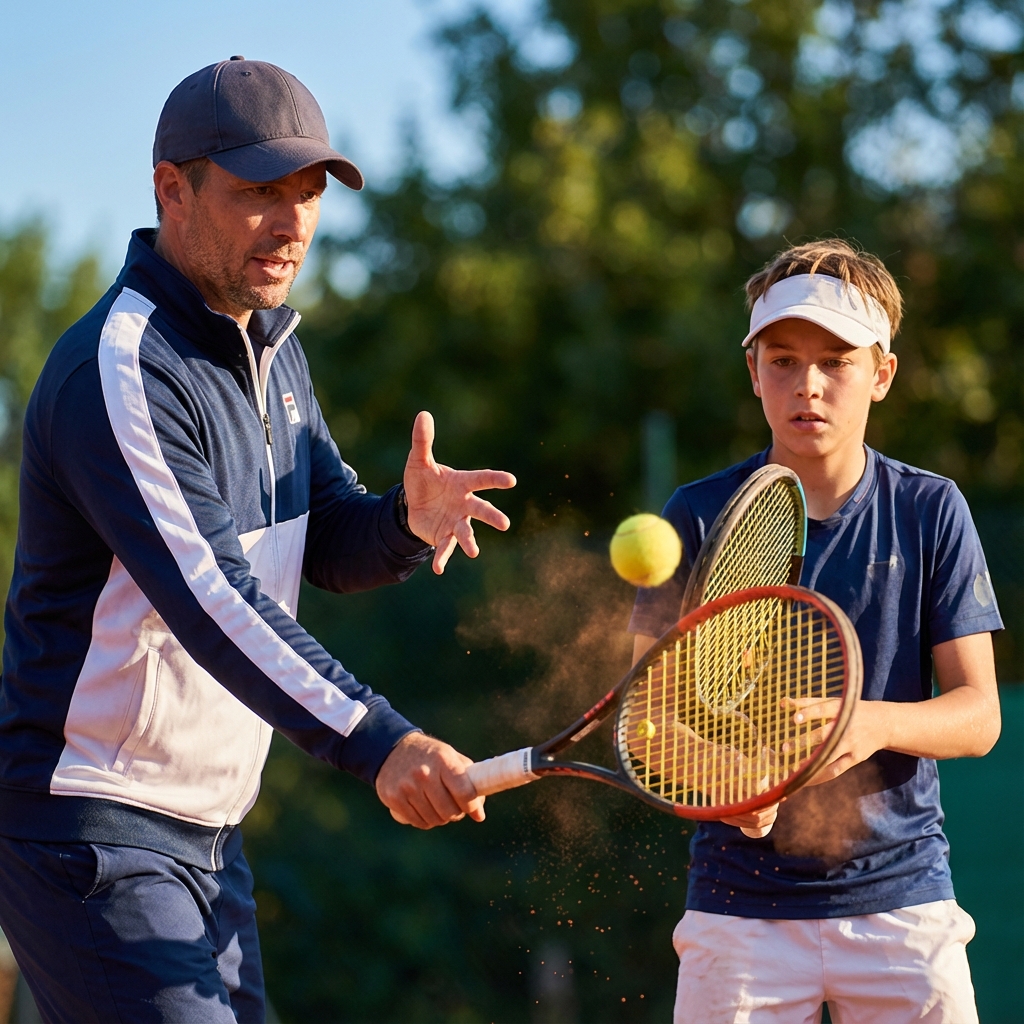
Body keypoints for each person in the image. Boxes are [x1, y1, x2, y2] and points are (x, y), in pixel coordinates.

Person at [0, 58, 515, 1023]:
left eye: (308, 193)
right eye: (258, 194)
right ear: (171, 190)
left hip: (211, 837)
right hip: (90, 830)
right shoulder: (121, 369)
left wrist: (403, 522)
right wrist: (380, 741)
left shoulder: (273, 347)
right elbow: (216, 601)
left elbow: (322, 540)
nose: (292, 224)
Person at [630, 239, 1002, 1024]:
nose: (809, 385)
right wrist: (731, 782)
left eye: (837, 360)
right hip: (738, 911)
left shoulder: (931, 510)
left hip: (906, 904)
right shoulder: (697, 517)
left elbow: (978, 715)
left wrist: (864, 725)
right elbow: (650, 726)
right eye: (784, 360)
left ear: (882, 373)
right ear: (753, 370)